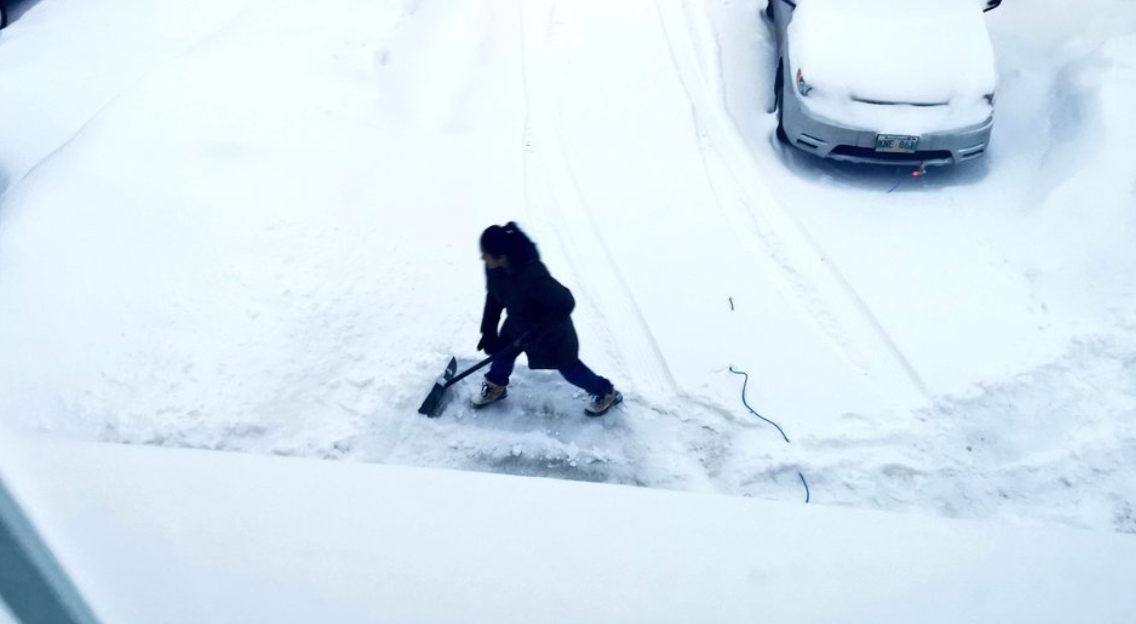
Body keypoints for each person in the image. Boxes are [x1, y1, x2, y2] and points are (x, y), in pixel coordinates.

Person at [474, 222, 622, 416]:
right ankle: (496, 385)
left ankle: (605, 392)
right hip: (518, 321)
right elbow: (494, 295)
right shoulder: (493, 267)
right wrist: (489, 329)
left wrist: (538, 330)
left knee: (570, 368)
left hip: (551, 332)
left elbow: (566, 302)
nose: (482, 257)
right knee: (503, 352)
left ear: (502, 256)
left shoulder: (533, 275)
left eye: (485, 253)